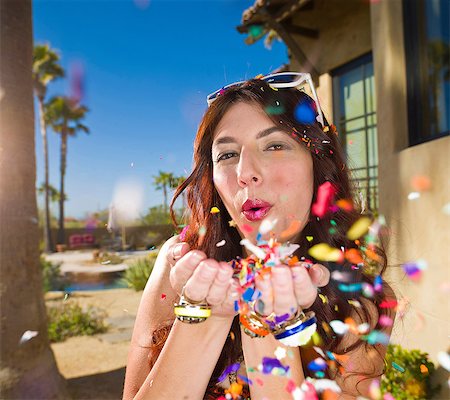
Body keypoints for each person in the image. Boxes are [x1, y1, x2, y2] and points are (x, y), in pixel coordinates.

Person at [123, 72, 396, 400]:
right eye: (226, 154)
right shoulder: (180, 262)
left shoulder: (358, 296)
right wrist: (206, 315)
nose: (244, 172)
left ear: (318, 163)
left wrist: (270, 323)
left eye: (275, 145)